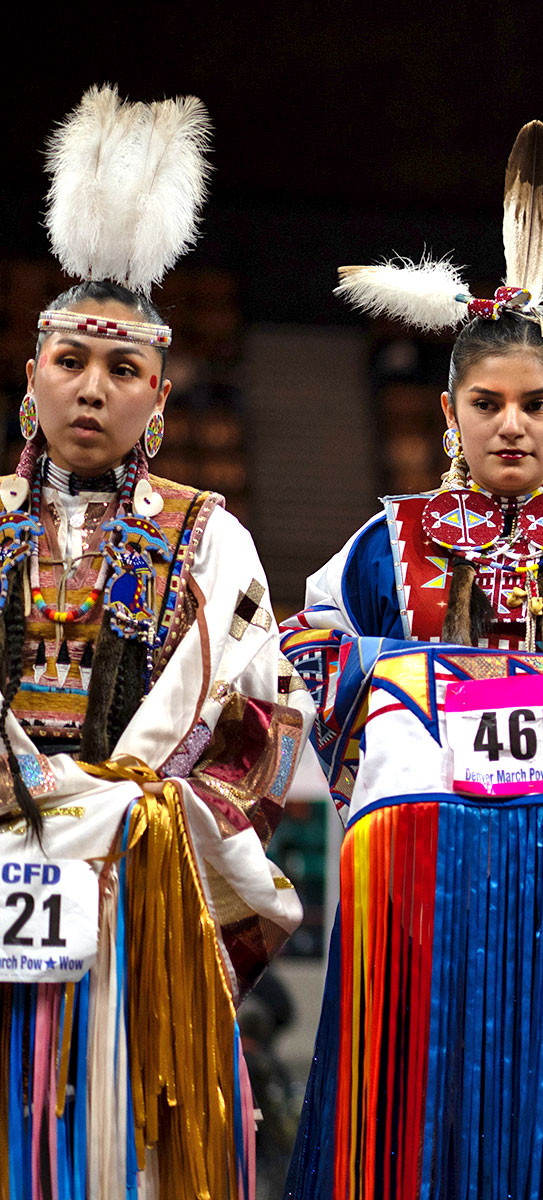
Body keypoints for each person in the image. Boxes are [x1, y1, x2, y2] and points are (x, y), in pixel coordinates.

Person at [278, 122, 543, 1198]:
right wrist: (389, 680)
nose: (511, 425)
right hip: (429, 864)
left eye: (535, 404)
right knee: (421, 1094)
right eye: (487, 404)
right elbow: (308, 644)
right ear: (449, 414)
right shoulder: (390, 537)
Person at [0, 86, 312, 1197]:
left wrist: (139, 811)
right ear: (32, 376)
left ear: (160, 397)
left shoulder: (209, 539)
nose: (92, 390)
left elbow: (265, 722)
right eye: (70, 363)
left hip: (136, 889)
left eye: (122, 371)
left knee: (114, 1139)